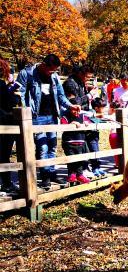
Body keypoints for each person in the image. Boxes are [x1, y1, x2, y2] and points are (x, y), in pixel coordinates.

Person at [17, 54, 81, 189]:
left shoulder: (54, 77)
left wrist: (70, 106)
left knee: (52, 145)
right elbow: (20, 94)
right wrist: (25, 112)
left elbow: (61, 95)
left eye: (54, 71)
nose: (52, 73)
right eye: (50, 70)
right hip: (36, 117)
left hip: (52, 116)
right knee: (42, 147)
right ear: (43, 64)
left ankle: (52, 173)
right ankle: (44, 176)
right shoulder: (27, 73)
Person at [63, 65, 103, 177]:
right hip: (73, 117)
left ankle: (84, 169)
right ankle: (76, 172)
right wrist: (89, 95)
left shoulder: (81, 83)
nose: (88, 79)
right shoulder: (70, 83)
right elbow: (75, 102)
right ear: (80, 73)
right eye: (87, 77)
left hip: (83, 116)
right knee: (76, 145)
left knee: (85, 143)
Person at [0, 58, 20, 192]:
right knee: (3, 154)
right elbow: (9, 102)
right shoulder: (1, 85)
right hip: (4, 123)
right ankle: (7, 183)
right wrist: (15, 94)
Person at [60, 98, 92, 185]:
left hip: (80, 142)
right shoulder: (66, 116)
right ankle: (72, 174)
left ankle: (80, 174)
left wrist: (86, 123)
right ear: (70, 107)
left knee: (80, 159)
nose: (77, 111)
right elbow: (63, 125)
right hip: (69, 143)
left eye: (79, 109)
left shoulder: (82, 116)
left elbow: (88, 121)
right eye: (74, 109)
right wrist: (72, 123)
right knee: (71, 159)